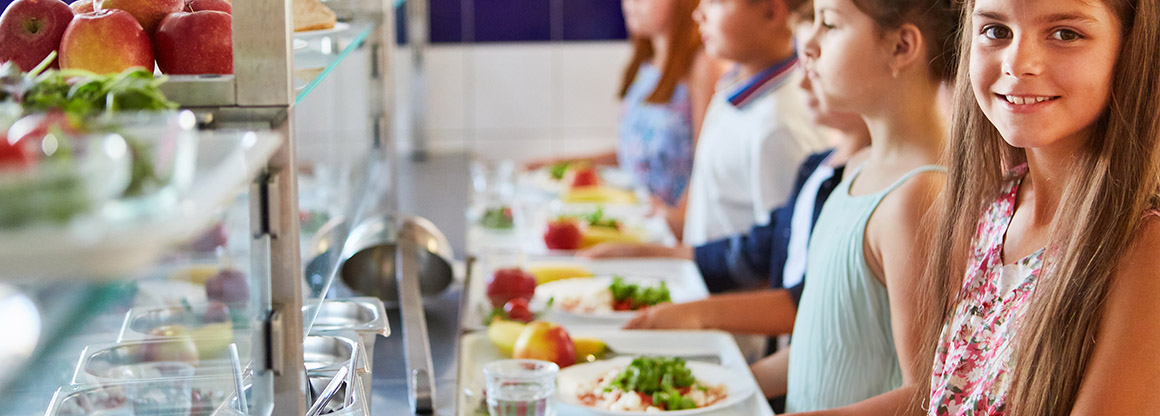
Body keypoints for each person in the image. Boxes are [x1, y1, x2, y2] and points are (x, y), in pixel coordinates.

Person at [912, 0, 1160, 414]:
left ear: (1133, 48)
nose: (1017, 63)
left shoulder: (1144, 245)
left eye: (1065, 34)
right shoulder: (996, 205)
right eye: (996, 31)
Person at [769, 0, 958, 412]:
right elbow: (825, 349)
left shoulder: (918, 195)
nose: (808, 46)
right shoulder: (855, 168)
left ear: (901, 47)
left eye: (831, 24)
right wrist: (726, 385)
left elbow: (926, 392)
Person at [529, 0, 721, 208]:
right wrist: (564, 165)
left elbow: (708, 166)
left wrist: (676, 221)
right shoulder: (646, 63)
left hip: (668, 230)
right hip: (636, 214)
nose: (631, 3)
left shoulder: (703, 66)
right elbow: (636, 157)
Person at [674, 0, 829, 245]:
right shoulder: (734, 86)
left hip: (735, 284)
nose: (698, 13)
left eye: (716, 2)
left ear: (771, 12)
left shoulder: (779, 125)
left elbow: (778, 251)